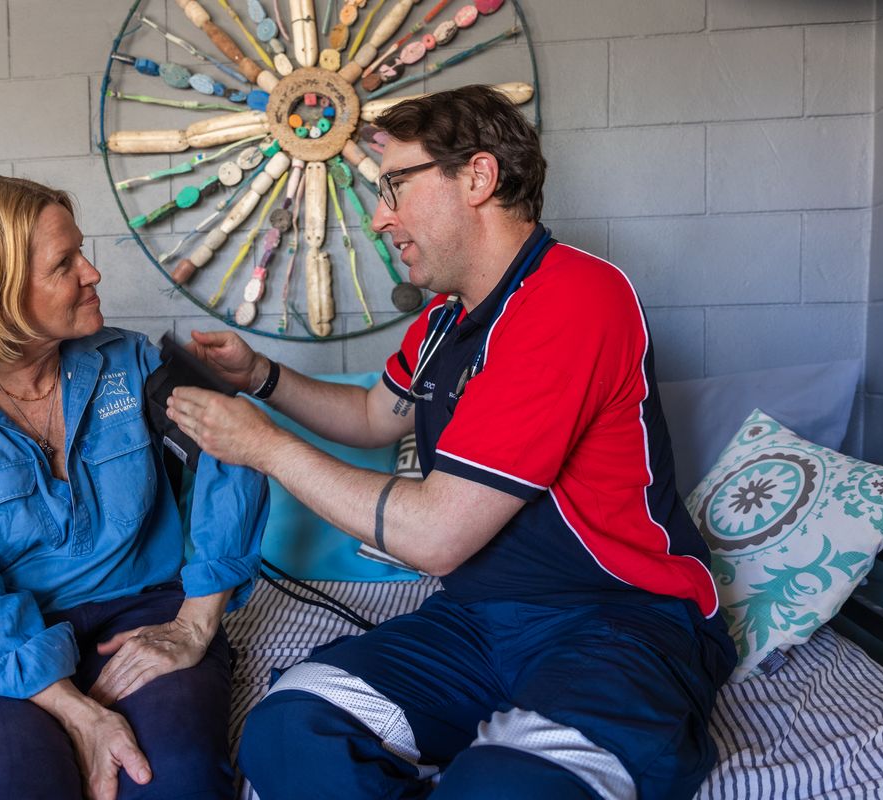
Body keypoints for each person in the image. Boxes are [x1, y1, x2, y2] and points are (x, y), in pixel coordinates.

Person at [166, 85, 738, 799]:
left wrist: (268, 448)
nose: (380, 218)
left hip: (615, 620)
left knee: (502, 786)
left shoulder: (575, 297)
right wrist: (262, 376)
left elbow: (436, 536)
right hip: (475, 621)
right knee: (289, 728)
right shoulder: (445, 319)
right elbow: (376, 417)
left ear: (477, 176)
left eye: (395, 187)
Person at [0, 175, 269, 800]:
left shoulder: (133, 363)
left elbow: (238, 451)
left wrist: (197, 623)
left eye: (81, 253)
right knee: (10, 781)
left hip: (144, 611)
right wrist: (79, 712)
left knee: (178, 779)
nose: (92, 273)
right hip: (4, 638)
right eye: (66, 263)